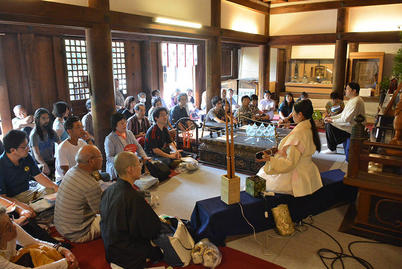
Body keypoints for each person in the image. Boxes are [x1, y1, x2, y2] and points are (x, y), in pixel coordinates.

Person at [100, 152, 162, 269]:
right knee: (161, 247)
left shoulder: (108, 190)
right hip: (127, 256)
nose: (141, 166)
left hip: (110, 250)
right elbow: (152, 230)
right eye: (138, 164)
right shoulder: (134, 197)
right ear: (130, 169)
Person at [257, 99, 322, 197]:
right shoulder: (309, 127)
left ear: (300, 115)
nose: (292, 115)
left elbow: (289, 164)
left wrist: (270, 159)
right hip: (309, 170)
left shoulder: (298, 135)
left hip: (296, 175)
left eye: (293, 112)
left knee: (262, 177)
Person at [0, 130, 58, 216]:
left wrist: (55, 186)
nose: (28, 148)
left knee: (57, 192)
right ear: (13, 150)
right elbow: (2, 197)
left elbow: (38, 176)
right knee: (30, 211)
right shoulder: (1, 165)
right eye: (25, 147)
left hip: (29, 191)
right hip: (12, 199)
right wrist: (21, 207)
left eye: (28, 145)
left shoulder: (26, 156)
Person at [0, 207, 79, 269]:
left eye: (11, 221)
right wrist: (65, 263)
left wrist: (62, 250)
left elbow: (34, 242)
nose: (14, 227)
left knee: (38, 251)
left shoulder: (11, 226)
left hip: (15, 262)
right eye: (8, 227)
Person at [54, 145, 103, 243]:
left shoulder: (71, 171)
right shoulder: (90, 185)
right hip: (78, 233)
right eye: (100, 156)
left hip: (61, 227)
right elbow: (102, 211)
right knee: (120, 214)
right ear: (91, 161)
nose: (102, 159)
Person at [324, 82, 365, 154]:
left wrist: (332, 121)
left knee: (329, 125)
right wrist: (331, 118)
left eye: (347, 89)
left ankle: (332, 148)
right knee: (328, 122)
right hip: (348, 124)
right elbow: (342, 114)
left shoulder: (356, 101)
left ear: (354, 91)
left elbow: (346, 119)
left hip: (352, 127)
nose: (345, 91)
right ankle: (333, 146)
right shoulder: (352, 100)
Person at [105, 113, 149, 179]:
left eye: (125, 122)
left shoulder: (129, 133)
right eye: (122, 123)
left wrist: (144, 156)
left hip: (131, 161)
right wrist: (122, 161)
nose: (125, 125)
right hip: (119, 165)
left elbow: (137, 146)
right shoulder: (110, 138)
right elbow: (109, 157)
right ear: (115, 125)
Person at [55, 116, 92, 182]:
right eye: (78, 127)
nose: (82, 129)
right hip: (65, 180)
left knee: (104, 176)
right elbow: (65, 172)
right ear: (69, 131)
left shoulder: (82, 142)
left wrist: (88, 139)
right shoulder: (62, 148)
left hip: (81, 176)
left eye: (81, 126)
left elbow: (94, 155)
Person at [30, 108, 60, 176]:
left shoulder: (51, 131)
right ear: (37, 119)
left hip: (51, 160)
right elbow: (36, 154)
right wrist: (44, 165)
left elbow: (60, 144)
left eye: (47, 118)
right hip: (39, 164)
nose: (46, 120)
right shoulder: (34, 135)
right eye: (43, 118)